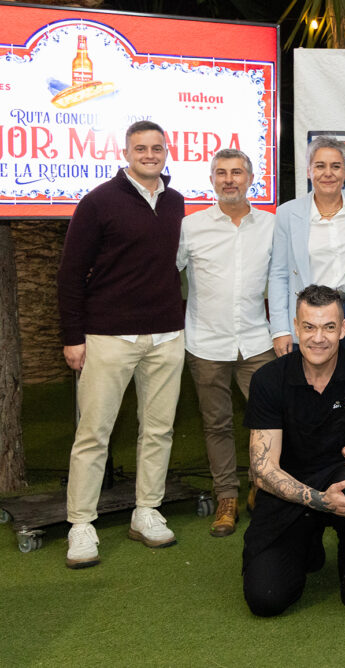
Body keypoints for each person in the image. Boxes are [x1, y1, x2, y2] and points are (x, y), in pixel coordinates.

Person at [58, 120, 186, 569]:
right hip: (108, 336)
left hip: (167, 335)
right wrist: (72, 337)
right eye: (140, 148)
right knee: (94, 433)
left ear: (166, 151)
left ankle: (146, 510)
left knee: (159, 430)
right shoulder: (98, 202)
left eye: (156, 147)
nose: (149, 154)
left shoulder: (175, 201)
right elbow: (70, 274)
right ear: (126, 152)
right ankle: (81, 524)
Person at [242, 285, 345, 616]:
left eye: (329, 327)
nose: (318, 338)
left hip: (341, 477)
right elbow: (263, 470)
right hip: (287, 490)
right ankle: (306, 541)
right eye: (309, 327)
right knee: (266, 599)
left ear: (344, 328)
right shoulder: (268, 380)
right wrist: (321, 501)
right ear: (296, 327)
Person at [177, 148, 276, 537]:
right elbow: (164, 272)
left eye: (237, 172)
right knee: (216, 424)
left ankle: (262, 488)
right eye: (221, 173)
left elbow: (283, 277)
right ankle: (226, 498)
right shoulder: (190, 227)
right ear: (212, 180)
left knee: (269, 422)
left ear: (251, 179)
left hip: (257, 341)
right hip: (206, 343)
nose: (229, 179)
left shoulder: (271, 225)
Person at [268, 136, 345, 355]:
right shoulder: (287, 213)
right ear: (308, 171)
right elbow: (279, 274)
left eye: (336, 166)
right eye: (320, 166)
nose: (328, 173)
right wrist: (280, 329)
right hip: (309, 314)